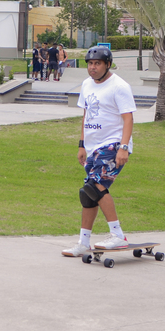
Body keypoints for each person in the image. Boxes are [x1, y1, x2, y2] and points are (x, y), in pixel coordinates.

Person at [62, 45, 137, 257]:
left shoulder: (119, 86)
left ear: (107, 65)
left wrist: (123, 147)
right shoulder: (86, 85)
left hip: (113, 144)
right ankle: (83, 243)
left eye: (97, 64)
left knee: (97, 186)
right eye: (90, 64)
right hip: (93, 146)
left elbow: (128, 118)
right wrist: (81, 144)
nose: (92, 68)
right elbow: (86, 115)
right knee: (88, 194)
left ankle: (118, 235)